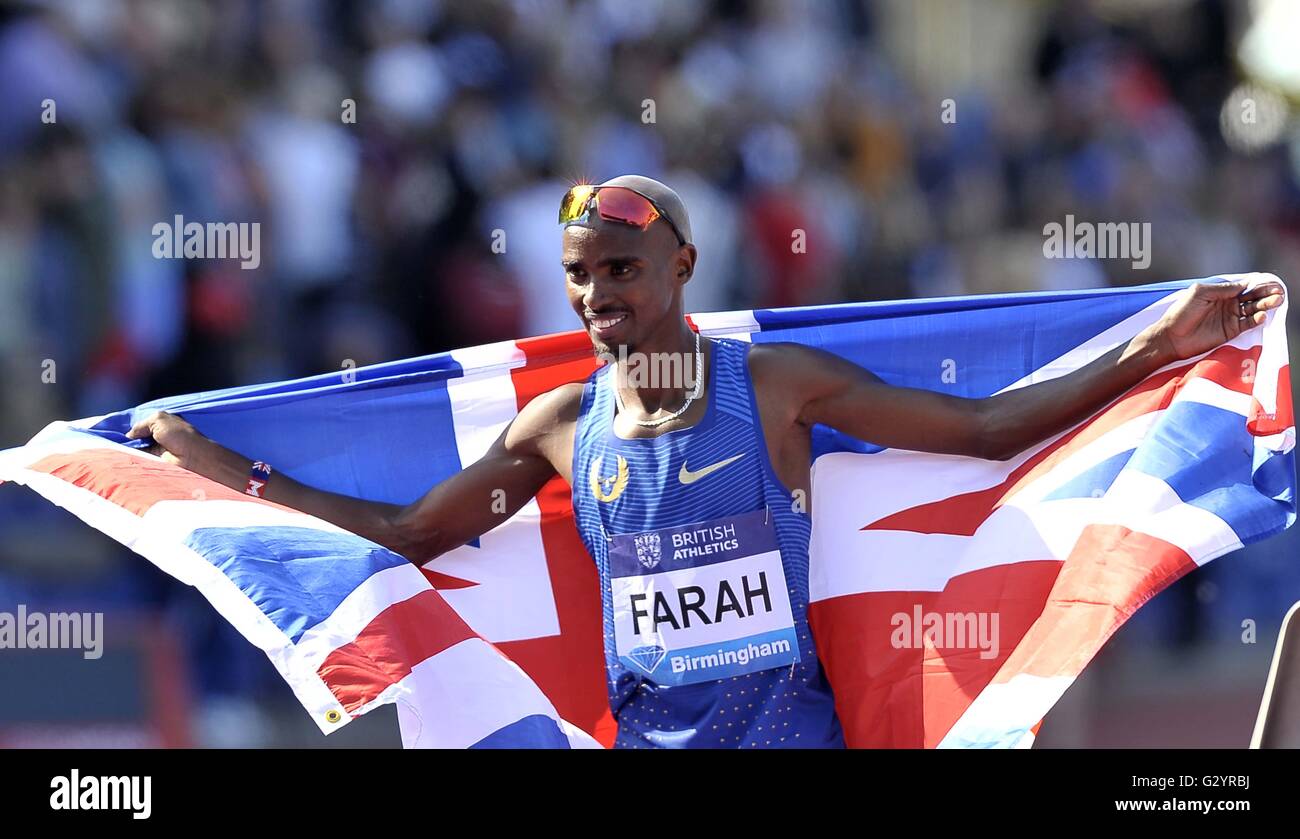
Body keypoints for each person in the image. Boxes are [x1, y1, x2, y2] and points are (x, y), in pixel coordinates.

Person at [130, 174, 1286, 748]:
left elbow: (988, 429)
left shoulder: (773, 388)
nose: (595, 297)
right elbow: (411, 533)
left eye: (620, 272)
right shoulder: (556, 425)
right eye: (579, 275)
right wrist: (219, 465)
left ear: (680, 265)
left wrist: (1155, 342)